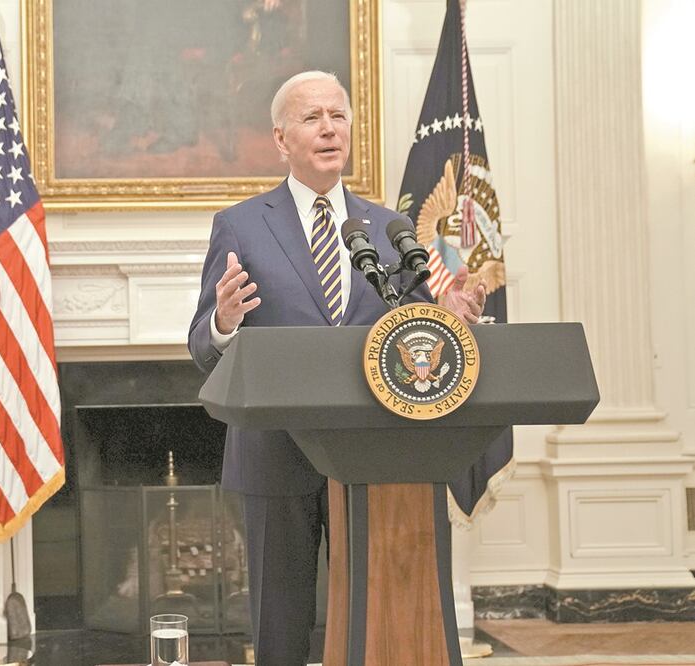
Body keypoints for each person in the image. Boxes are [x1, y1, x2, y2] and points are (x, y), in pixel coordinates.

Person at [187, 71, 485, 665]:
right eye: (312, 117)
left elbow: (416, 334)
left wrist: (450, 314)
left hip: (374, 455)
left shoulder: (390, 229)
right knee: (281, 631)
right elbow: (200, 346)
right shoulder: (242, 225)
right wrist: (222, 320)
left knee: (371, 626)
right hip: (276, 455)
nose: (329, 128)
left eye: (338, 115)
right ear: (281, 139)